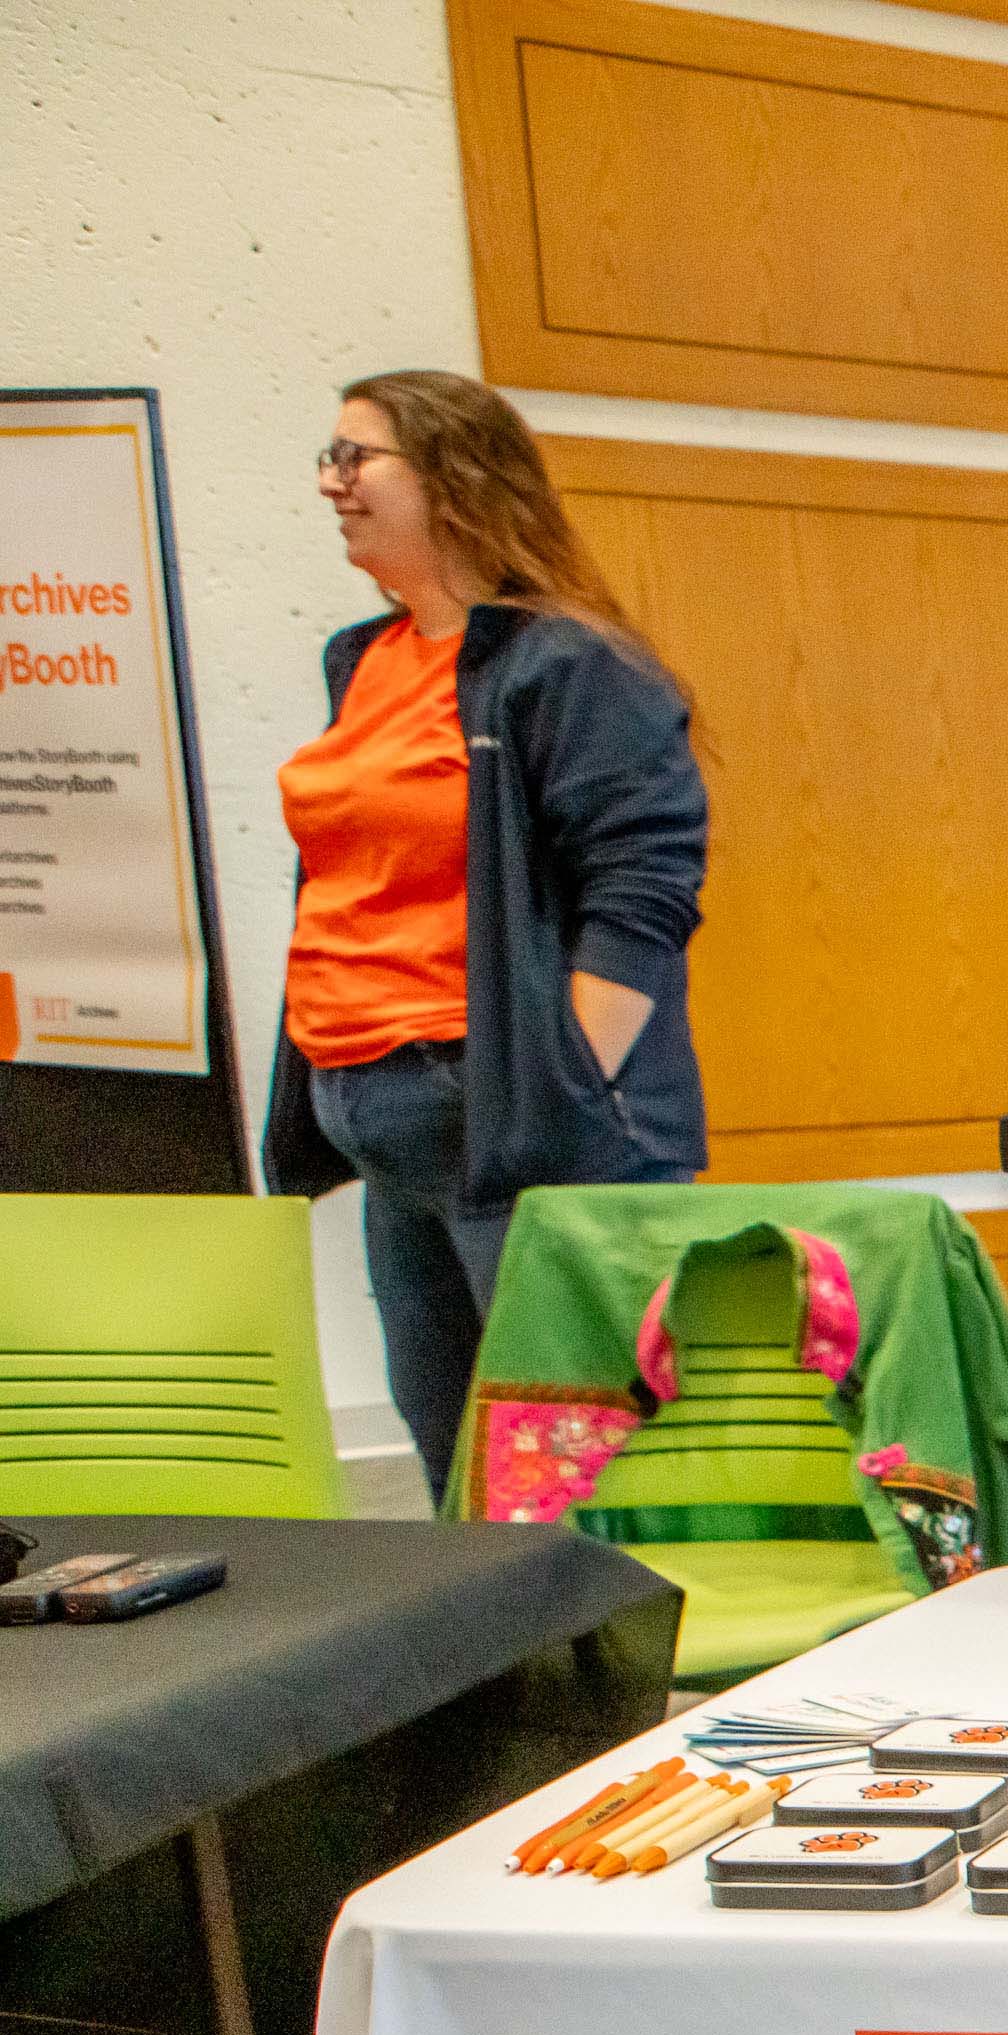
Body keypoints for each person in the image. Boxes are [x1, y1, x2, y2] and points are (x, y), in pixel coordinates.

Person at [261, 370, 708, 1504]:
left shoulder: (566, 662)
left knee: (575, 1474)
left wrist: (563, 1089)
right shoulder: (363, 660)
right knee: (457, 1459)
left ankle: (634, 1686)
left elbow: (642, 889)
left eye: (356, 457)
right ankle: (516, 1685)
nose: (330, 481)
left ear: (456, 477)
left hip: (516, 1125)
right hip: (385, 1130)